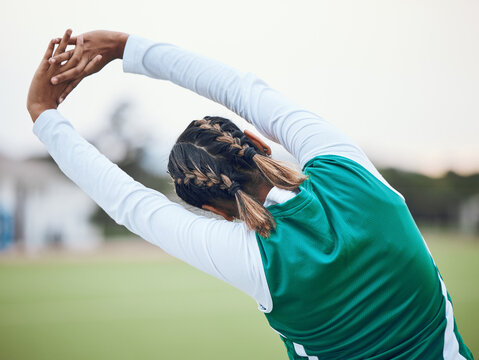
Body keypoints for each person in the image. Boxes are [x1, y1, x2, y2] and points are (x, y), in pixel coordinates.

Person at [27, 29, 473, 360]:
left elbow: (131, 204)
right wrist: (126, 47)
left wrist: (44, 115)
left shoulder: (254, 260)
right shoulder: (349, 170)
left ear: (211, 211)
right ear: (255, 142)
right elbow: (242, 89)